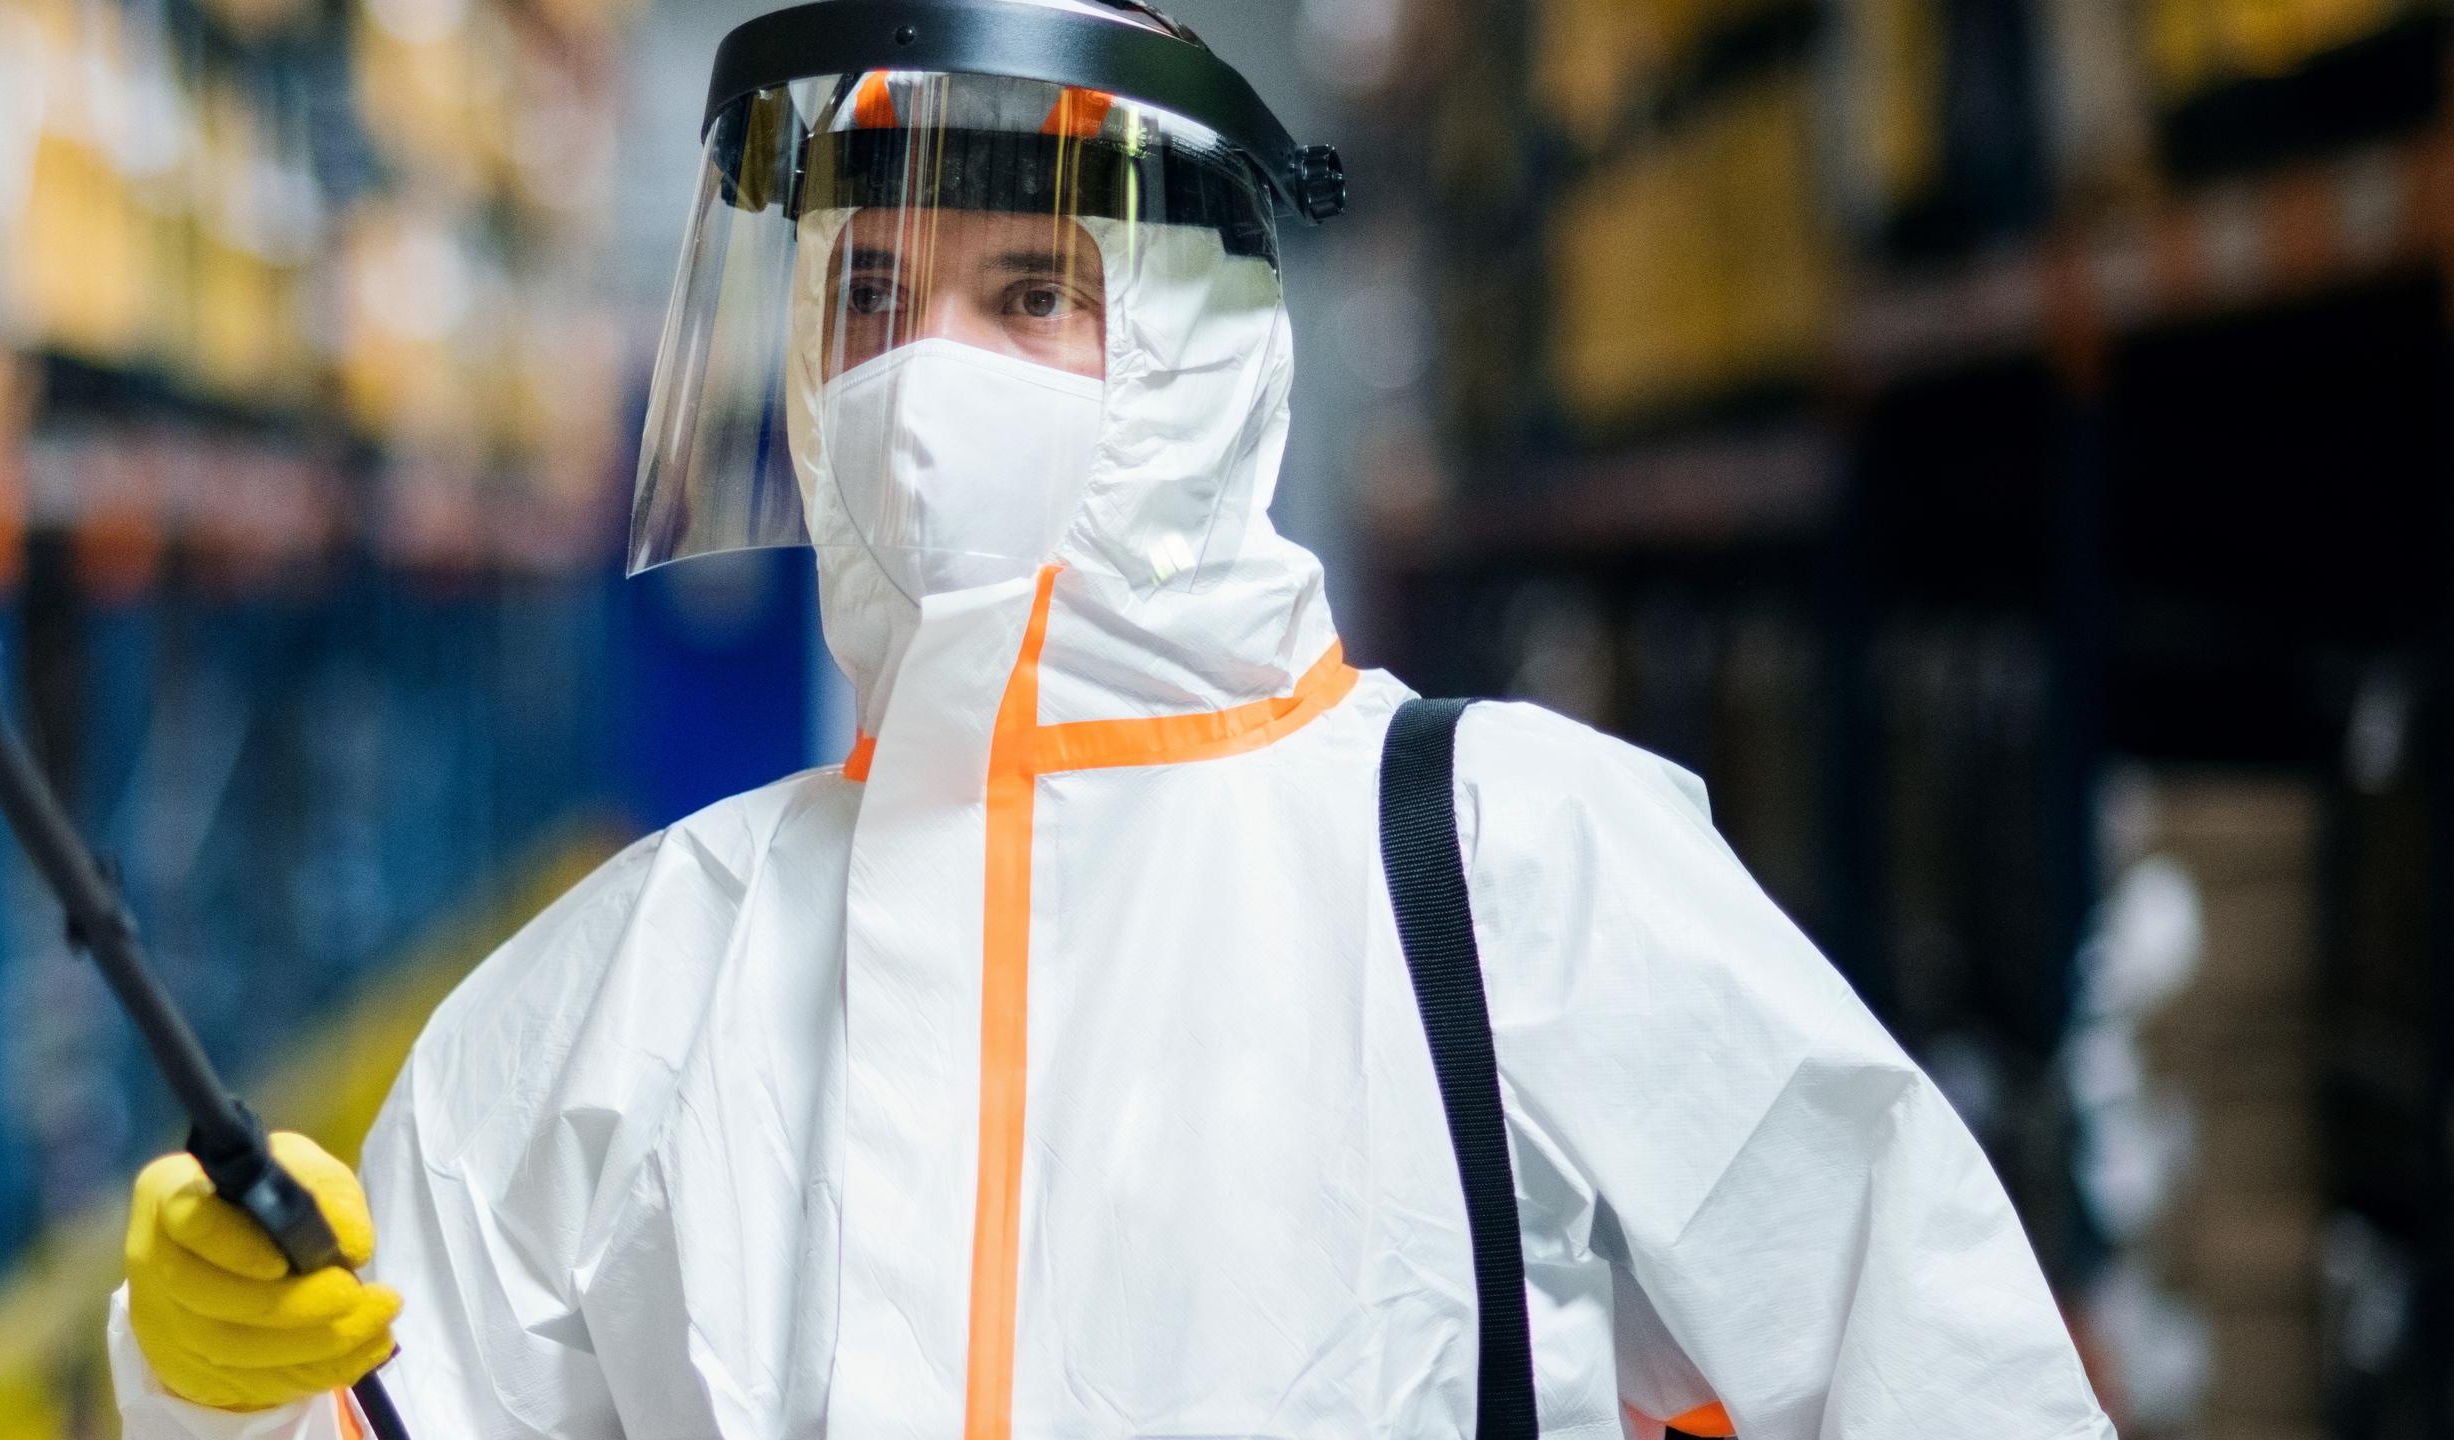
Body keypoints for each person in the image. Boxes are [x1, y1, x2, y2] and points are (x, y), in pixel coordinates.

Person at [108, 0, 2120, 1435]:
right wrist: (221, 1386)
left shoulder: (1506, 872)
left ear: (1195, 353)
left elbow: (1937, 1365)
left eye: (1027, 292)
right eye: (869, 297)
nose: (921, 380)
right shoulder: (656, 970)